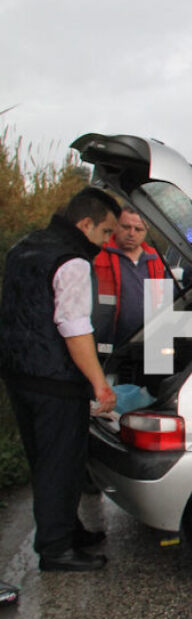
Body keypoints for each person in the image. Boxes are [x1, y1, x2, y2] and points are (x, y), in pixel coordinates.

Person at [0, 188, 120, 572]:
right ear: (84, 224)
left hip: (21, 374)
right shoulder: (72, 262)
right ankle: (55, 549)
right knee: (61, 463)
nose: (105, 243)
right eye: (104, 233)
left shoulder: (26, 246)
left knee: (44, 458)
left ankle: (68, 530)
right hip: (55, 379)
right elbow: (74, 328)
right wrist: (100, 384)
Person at [91, 207, 167, 348]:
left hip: (148, 344)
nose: (131, 234)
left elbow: (167, 303)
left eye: (138, 229)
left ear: (147, 229)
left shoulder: (156, 259)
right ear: (116, 226)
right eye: (126, 227)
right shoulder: (98, 256)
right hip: (107, 345)